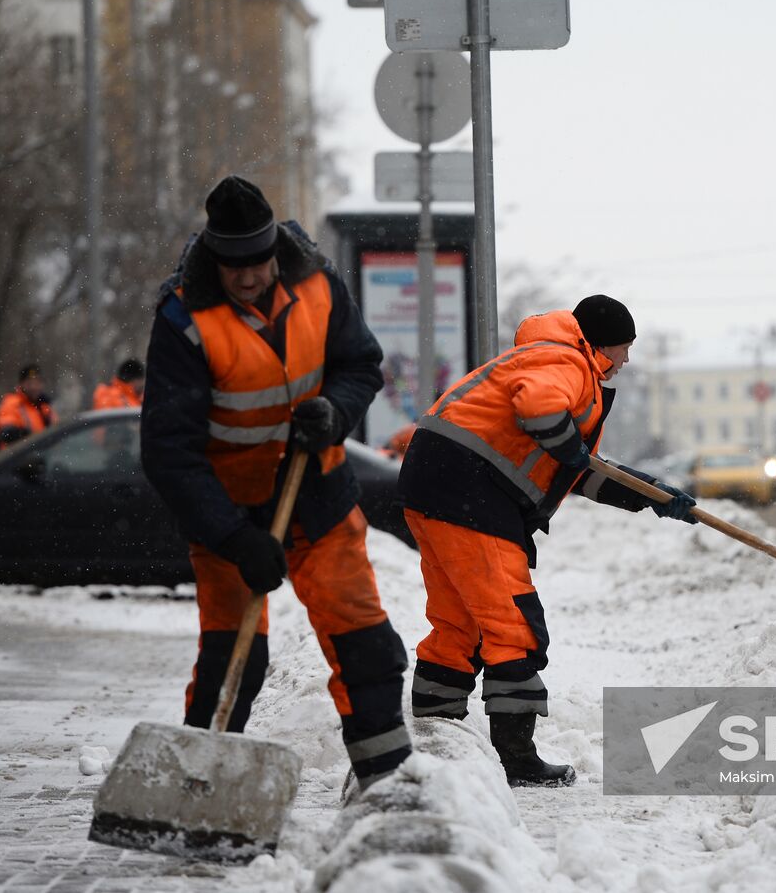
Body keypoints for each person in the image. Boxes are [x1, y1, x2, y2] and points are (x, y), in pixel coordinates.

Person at [140, 175, 411, 791]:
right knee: (233, 659)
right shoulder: (185, 319)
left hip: (317, 494)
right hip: (228, 510)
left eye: (257, 262)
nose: (246, 278)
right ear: (213, 257)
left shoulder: (316, 282)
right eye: (231, 265)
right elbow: (168, 451)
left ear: (275, 250)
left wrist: (335, 412)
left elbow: (360, 364)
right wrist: (236, 539)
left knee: (364, 641)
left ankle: (386, 780)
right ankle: (195, 789)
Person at [399, 294, 698, 787]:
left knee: (461, 622)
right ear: (603, 344)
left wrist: (650, 494)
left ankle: (437, 736)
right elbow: (543, 415)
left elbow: (576, 471)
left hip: (436, 487)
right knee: (512, 625)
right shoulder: (564, 360)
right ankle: (517, 759)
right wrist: (569, 448)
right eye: (625, 348)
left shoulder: (550, 362)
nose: (626, 360)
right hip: (469, 492)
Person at [0, 364, 56, 452]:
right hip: (15, 460)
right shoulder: (12, 403)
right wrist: (25, 435)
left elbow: (57, 432)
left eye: (37, 383)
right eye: (29, 383)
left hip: (39, 459)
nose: (33, 387)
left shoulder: (44, 407)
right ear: (21, 384)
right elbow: (6, 432)